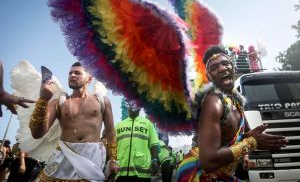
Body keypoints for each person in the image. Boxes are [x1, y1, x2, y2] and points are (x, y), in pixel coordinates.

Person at [182, 46, 288, 181]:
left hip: (223, 174)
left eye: (225, 63)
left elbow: (243, 138)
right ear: (209, 77)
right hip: (197, 175)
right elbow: (208, 161)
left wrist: (246, 154)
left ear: (233, 68)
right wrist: (252, 142)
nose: (222, 68)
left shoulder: (237, 102)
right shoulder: (213, 102)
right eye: (214, 68)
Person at [29, 62, 118, 181]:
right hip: (63, 158)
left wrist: (113, 160)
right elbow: (36, 133)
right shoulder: (59, 102)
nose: (72, 75)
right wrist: (43, 100)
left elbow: (111, 134)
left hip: (92, 160)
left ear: (89, 79)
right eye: (70, 73)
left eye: (77, 73)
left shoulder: (102, 101)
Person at [115, 102, 159, 182]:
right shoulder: (118, 125)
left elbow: (153, 144)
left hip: (142, 173)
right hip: (120, 172)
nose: (132, 106)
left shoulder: (148, 124)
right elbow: (113, 146)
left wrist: (155, 160)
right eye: (130, 104)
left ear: (140, 107)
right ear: (127, 107)